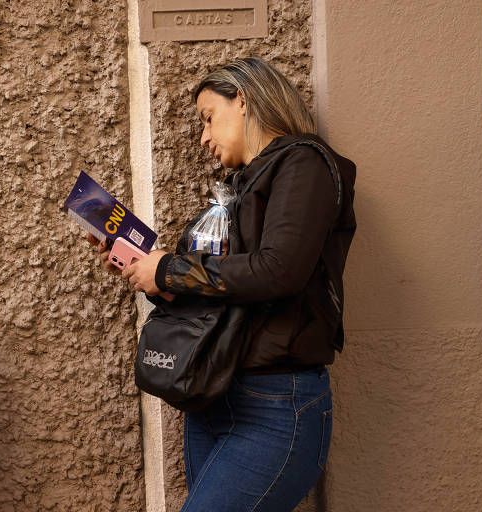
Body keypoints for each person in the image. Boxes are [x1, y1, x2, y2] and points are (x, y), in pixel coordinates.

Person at [89, 57, 356, 511]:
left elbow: (278, 271)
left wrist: (170, 268)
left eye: (209, 118)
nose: (204, 138)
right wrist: (152, 276)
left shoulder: (303, 162)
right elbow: (231, 291)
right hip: (213, 399)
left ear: (245, 100)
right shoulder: (241, 186)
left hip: (274, 404)